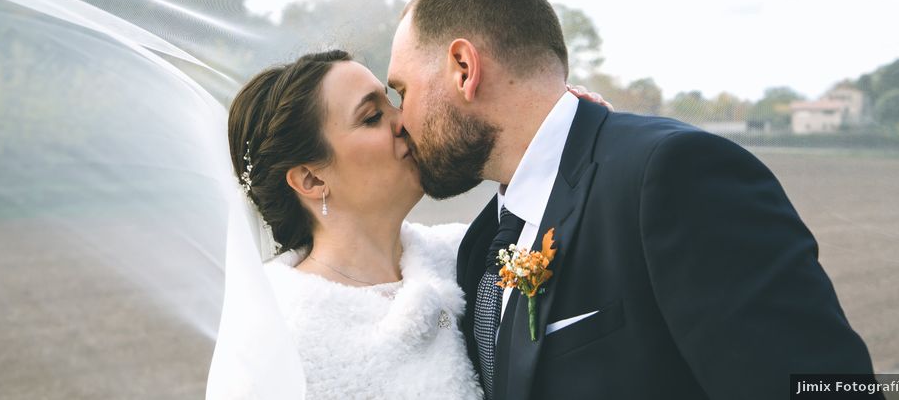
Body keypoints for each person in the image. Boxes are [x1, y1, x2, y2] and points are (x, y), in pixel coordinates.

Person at [385, 0, 878, 400]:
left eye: (402, 91)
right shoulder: (479, 249)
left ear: (464, 68)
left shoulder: (673, 176)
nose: (399, 120)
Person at [206, 49, 607, 399]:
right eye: (370, 117)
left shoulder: (465, 255)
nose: (404, 120)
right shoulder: (277, 337)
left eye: (393, 101)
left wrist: (572, 146)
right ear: (311, 180)